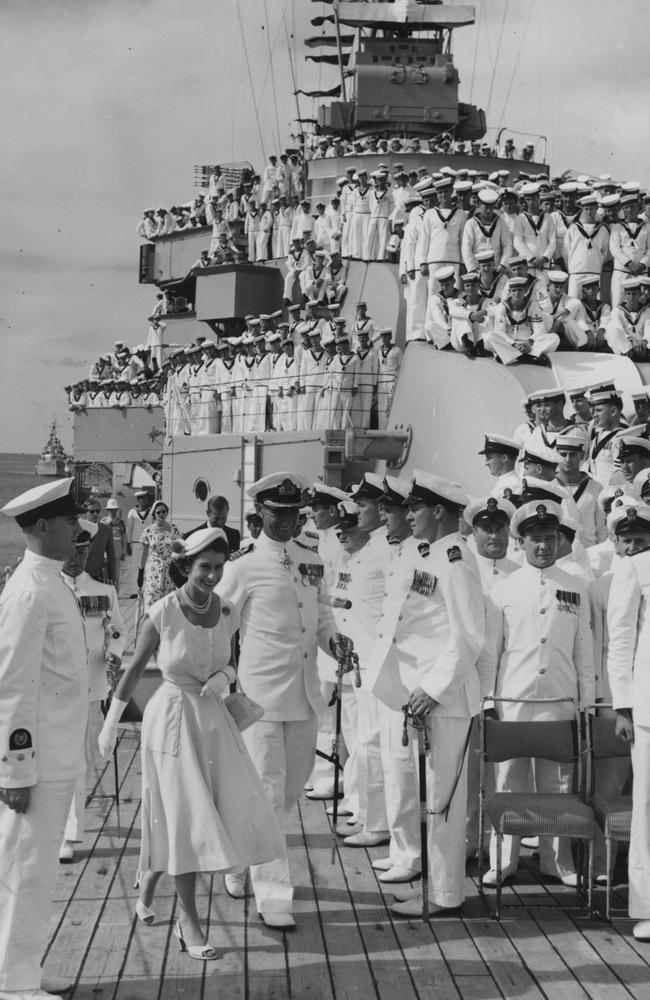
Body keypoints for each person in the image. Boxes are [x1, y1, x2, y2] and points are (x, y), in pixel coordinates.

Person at [97, 527, 284, 960]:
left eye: (219, 568)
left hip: (214, 721)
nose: (213, 576)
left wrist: (224, 676)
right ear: (186, 566)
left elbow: (231, 662)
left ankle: (147, 887)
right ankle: (189, 923)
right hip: (172, 719)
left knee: (206, 812)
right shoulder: (162, 612)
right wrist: (109, 726)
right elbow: (132, 670)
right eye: (205, 568)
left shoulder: (228, 610)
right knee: (185, 818)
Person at [217, 473, 350, 929]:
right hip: (260, 699)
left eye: (295, 513)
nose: (289, 520)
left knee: (289, 792)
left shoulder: (311, 559)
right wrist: (219, 679)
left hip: (305, 695)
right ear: (259, 515)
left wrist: (336, 642)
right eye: (279, 513)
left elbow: (324, 615)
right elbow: (219, 628)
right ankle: (274, 895)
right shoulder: (241, 567)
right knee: (269, 795)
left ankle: (238, 858)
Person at [370, 472, 485, 917]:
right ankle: (436, 885)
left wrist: (433, 691)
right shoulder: (430, 553)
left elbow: (468, 637)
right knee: (431, 799)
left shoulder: (456, 559)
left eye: (415, 507)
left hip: (445, 699)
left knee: (443, 804)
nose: (408, 514)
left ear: (438, 511)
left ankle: (443, 894)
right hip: (421, 696)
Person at [0, 478, 87, 1000]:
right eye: (70, 520)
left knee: (37, 873)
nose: (79, 527)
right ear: (42, 527)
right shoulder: (31, 590)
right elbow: (13, 685)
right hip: (36, 763)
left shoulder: (53, 581)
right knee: (25, 874)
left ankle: (22, 971)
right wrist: (14, 771)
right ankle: (12, 985)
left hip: (57, 754)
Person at [480, 499, 594, 888]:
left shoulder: (576, 586)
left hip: (560, 699)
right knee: (508, 783)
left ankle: (557, 862)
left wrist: (586, 702)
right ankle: (503, 861)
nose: (542, 546)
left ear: (560, 540)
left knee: (558, 786)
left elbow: (585, 651)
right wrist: (487, 701)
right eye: (534, 539)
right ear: (521, 543)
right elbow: (491, 651)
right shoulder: (503, 588)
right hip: (513, 699)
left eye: (549, 538)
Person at [59, 519, 125, 864]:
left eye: (82, 552)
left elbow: (119, 632)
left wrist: (113, 653)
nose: (76, 559)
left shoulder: (104, 591)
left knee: (78, 759)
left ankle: (69, 833)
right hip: (52, 691)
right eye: (71, 551)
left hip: (89, 687)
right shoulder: (48, 590)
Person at [606, 501, 650, 941]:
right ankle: (648, 905)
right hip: (648, 705)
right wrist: (623, 704)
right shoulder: (636, 566)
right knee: (648, 808)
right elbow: (620, 636)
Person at [138, 500, 181, 609]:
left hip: (169, 571)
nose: (161, 514)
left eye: (164, 511)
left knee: (168, 604)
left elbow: (179, 550)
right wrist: (140, 572)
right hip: (153, 571)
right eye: (158, 512)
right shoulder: (148, 531)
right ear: (154, 514)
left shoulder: (174, 530)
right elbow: (143, 554)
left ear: (167, 513)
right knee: (151, 600)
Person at [125, 490, 153, 598]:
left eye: (146, 498)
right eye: (142, 499)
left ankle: (146, 589)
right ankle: (135, 591)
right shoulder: (132, 512)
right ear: (138, 500)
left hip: (148, 543)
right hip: (136, 542)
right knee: (135, 567)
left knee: (146, 566)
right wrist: (128, 543)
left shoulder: (151, 512)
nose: (145, 501)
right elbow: (129, 528)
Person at [84, 497, 117, 585]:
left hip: (98, 575)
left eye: (97, 511)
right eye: (91, 511)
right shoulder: (79, 528)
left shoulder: (106, 529)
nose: (95, 514)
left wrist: (112, 577)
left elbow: (111, 556)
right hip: (81, 575)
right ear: (85, 513)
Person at [102, 498, 126, 593]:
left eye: (114, 509)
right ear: (107, 510)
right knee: (105, 573)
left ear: (117, 510)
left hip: (116, 552)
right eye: (111, 510)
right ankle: (106, 592)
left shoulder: (120, 523)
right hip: (105, 553)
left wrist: (124, 551)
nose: (113, 511)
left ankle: (115, 594)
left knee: (116, 574)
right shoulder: (103, 522)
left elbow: (124, 537)